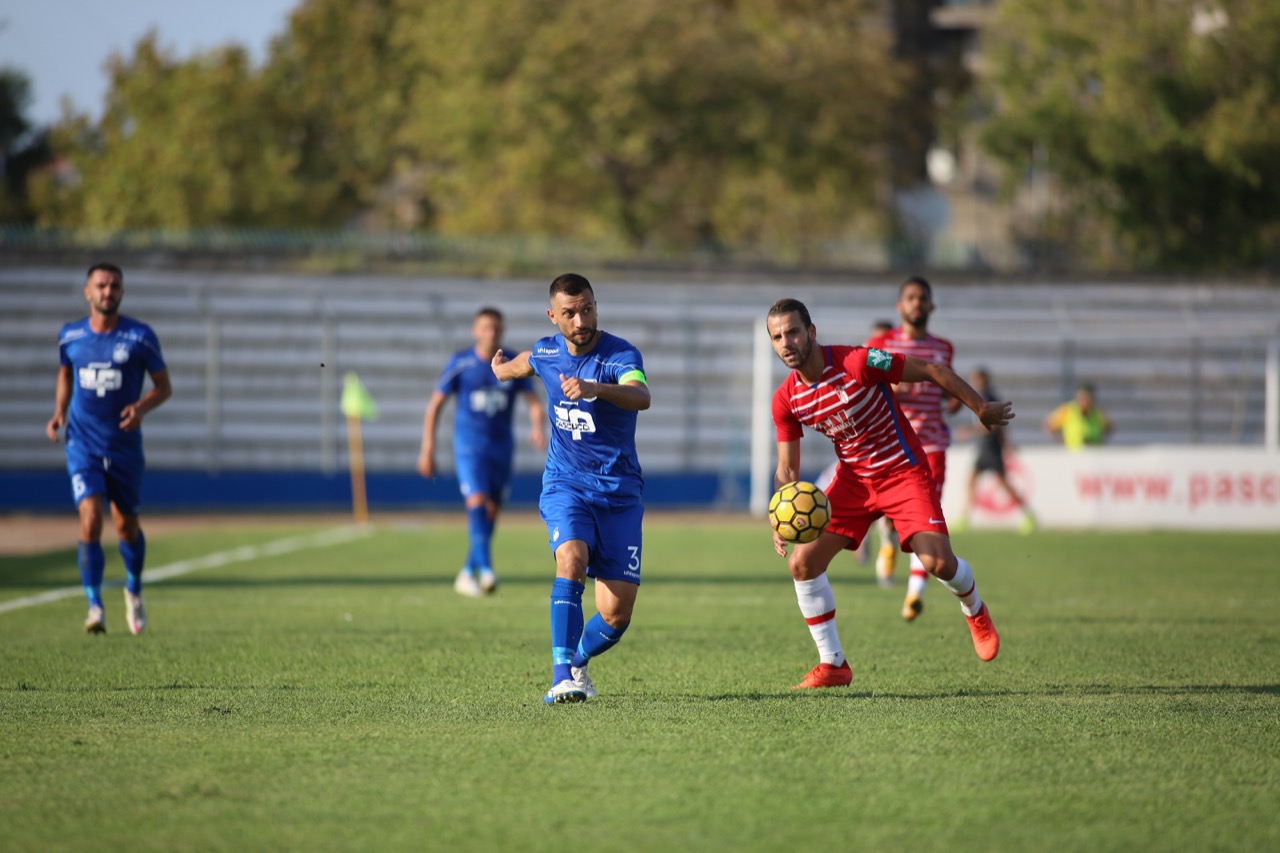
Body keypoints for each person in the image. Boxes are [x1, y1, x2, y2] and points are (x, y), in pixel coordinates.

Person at [765, 297, 1009, 689]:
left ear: (811, 332)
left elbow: (931, 369)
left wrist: (979, 408)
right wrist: (781, 515)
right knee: (802, 565)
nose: (786, 342)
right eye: (777, 337)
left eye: (793, 332)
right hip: (854, 481)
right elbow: (788, 469)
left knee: (939, 564)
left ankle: (975, 610)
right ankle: (833, 665)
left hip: (903, 472)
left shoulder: (858, 363)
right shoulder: (786, 400)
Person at [491, 274, 651, 704]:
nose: (581, 320)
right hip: (567, 484)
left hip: (619, 494)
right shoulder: (547, 350)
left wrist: (596, 389)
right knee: (571, 558)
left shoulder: (620, 354)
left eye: (587, 309)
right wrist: (502, 370)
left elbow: (641, 394)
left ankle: (578, 662)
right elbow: (527, 360)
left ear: (596, 306)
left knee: (616, 616)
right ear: (553, 316)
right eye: (569, 313)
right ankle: (561, 675)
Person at [45, 263, 172, 635]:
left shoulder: (140, 337)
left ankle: (133, 589)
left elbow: (164, 387)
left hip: (124, 447)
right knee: (90, 518)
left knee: (126, 526)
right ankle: (94, 605)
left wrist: (141, 408)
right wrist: (58, 412)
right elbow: (66, 372)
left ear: (122, 291)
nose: (107, 291)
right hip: (82, 443)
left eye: (114, 285)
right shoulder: (70, 337)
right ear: (87, 291)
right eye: (101, 285)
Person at [417, 307, 547, 597]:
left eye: (497, 328)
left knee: (491, 511)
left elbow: (534, 402)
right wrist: (428, 448)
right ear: (476, 331)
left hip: (501, 448)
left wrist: (538, 426)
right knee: (476, 501)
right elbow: (435, 405)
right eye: (486, 328)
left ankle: (466, 572)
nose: (492, 333)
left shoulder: (512, 363)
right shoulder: (461, 363)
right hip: (469, 447)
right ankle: (486, 570)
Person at [865, 276, 959, 621]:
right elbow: (865, 385)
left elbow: (949, 387)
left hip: (931, 446)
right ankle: (887, 539)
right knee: (892, 520)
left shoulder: (943, 348)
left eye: (922, 298)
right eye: (910, 297)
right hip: (890, 445)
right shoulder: (881, 342)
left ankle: (913, 594)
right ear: (899, 306)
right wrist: (899, 385)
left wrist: (955, 401)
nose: (917, 303)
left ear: (931, 306)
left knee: (926, 524)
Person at [954, 367, 1037, 534]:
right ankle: (964, 518)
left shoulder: (989, 399)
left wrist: (970, 431)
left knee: (1003, 484)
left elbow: (994, 426)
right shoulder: (983, 397)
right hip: (985, 446)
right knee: (972, 481)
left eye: (977, 379)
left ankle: (1029, 515)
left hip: (990, 447)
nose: (975, 383)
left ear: (984, 380)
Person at [1043, 382, 1112, 449]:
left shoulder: (1097, 413)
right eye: (1081, 398)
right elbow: (1048, 424)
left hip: (1094, 453)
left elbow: (1109, 428)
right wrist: (1059, 440)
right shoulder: (1068, 410)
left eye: (1087, 399)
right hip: (1073, 454)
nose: (1084, 402)